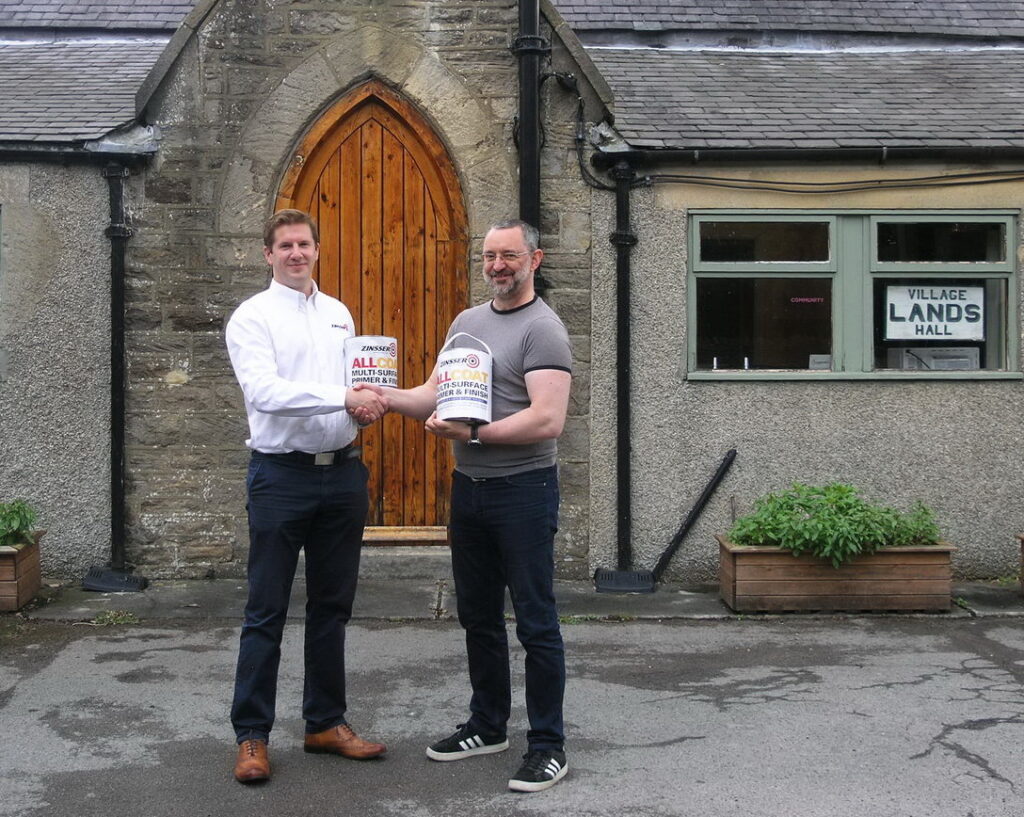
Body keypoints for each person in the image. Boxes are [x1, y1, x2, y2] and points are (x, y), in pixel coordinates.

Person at [371, 218, 572, 792]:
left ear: (535, 260)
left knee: (535, 622)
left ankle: (548, 746)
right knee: (478, 616)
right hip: (471, 492)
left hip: (524, 491)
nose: (497, 266)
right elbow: (434, 395)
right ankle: (488, 725)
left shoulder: (544, 329)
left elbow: (547, 418)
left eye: (509, 255)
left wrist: (475, 437)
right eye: (489, 257)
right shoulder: (466, 323)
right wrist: (382, 395)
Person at [225, 209, 389, 784]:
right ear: (267, 255)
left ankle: (325, 723)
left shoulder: (339, 314)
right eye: (285, 245)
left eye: (305, 244)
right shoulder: (252, 317)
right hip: (280, 478)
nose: (296, 253)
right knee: (265, 609)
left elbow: (354, 388)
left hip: (343, 475)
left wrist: (367, 406)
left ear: (318, 250)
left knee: (332, 607)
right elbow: (266, 394)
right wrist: (345, 397)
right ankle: (251, 736)